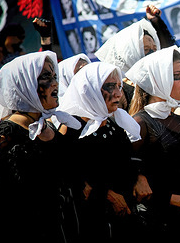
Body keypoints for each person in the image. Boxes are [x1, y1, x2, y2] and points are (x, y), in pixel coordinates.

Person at [0, 51, 81, 243]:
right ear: (25, 85)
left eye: (55, 76)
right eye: (46, 77)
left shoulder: (48, 126)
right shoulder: (5, 135)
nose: (55, 83)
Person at [125, 46, 180, 242]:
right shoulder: (140, 123)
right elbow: (132, 183)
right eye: (178, 76)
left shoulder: (178, 120)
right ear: (159, 80)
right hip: (160, 225)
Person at [57, 61, 142, 243]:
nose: (119, 93)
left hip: (124, 219)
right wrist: (109, 195)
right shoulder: (71, 128)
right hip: (94, 224)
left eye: (119, 86)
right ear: (90, 89)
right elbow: (68, 177)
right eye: (110, 86)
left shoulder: (111, 123)